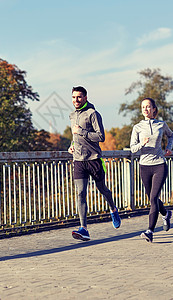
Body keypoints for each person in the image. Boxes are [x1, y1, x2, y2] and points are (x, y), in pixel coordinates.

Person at [68, 86, 121, 241]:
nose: (75, 100)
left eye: (78, 97)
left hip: (94, 159)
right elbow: (75, 135)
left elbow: (101, 136)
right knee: (80, 193)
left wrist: (82, 132)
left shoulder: (93, 114)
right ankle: (83, 228)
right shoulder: (72, 115)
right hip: (79, 160)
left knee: (102, 188)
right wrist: (72, 145)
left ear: (85, 97)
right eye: (73, 97)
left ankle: (113, 209)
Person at [130, 97, 173, 243]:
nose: (145, 109)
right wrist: (141, 144)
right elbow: (132, 149)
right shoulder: (137, 127)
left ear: (154, 109)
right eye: (143, 107)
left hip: (159, 164)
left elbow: (171, 135)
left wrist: (168, 148)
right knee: (151, 198)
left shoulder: (161, 125)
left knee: (154, 198)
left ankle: (150, 231)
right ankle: (166, 214)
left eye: (148, 107)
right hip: (144, 166)